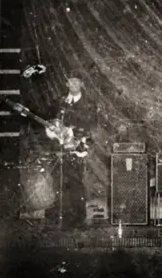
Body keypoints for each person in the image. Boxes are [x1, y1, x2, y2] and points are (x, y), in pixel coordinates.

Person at [45, 76, 97, 229]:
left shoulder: (89, 104)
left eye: (77, 81)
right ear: (66, 83)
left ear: (82, 83)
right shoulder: (59, 102)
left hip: (78, 149)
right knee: (59, 182)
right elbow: (52, 124)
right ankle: (63, 219)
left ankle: (78, 219)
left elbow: (93, 126)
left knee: (76, 183)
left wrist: (79, 138)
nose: (73, 84)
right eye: (70, 81)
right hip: (60, 149)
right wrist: (53, 133)